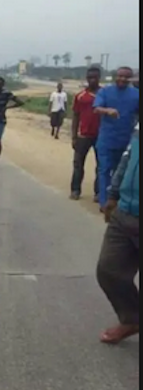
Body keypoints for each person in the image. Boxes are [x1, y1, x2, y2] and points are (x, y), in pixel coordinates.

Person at [96, 122, 139, 345]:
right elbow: (126, 160)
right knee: (109, 270)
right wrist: (112, 195)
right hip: (124, 212)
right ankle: (132, 319)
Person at [94, 67, 140, 210]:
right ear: (116, 76)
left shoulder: (136, 94)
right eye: (120, 76)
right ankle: (104, 202)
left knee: (121, 171)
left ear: (131, 79)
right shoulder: (105, 92)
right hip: (106, 139)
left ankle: (116, 200)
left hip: (126, 140)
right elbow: (96, 108)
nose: (122, 79)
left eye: (126, 77)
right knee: (104, 170)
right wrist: (107, 110)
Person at [70, 67, 102, 201]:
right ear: (86, 78)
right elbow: (75, 116)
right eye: (90, 77)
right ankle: (75, 190)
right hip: (83, 135)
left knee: (101, 166)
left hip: (101, 135)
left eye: (95, 77)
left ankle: (99, 193)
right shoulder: (80, 96)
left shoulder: (105, 94)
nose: (92, 80)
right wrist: (73, 136)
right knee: (78, 164)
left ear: (99, 77)